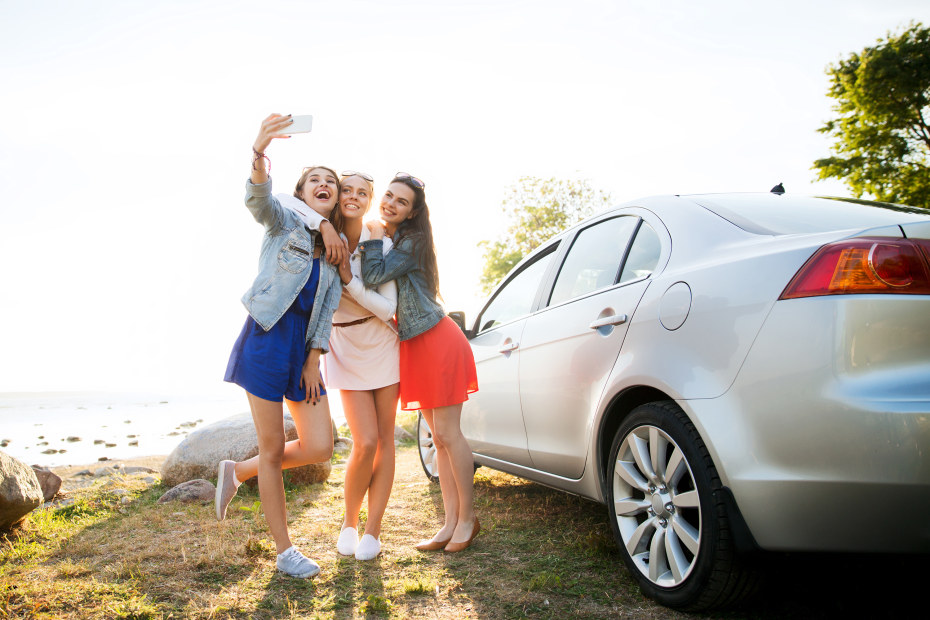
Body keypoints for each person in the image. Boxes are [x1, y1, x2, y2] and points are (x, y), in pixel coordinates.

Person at [215, 113, 346, 579]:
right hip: (267, 338)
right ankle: (285, 551)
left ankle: (238, 472)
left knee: (319, 446)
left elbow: (327, 309)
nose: (324, 183)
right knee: (272, 448)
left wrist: (315, 359)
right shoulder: (284, 222)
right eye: (315, 179)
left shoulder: (336, 250)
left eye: (331, 180)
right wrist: (259, 152)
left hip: (303, 351)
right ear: (303, 191)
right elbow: (259, 199)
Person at [359, 173, 480, 553]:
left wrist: (375, 237)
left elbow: (374, 273)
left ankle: (468, 518)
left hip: (438, 339)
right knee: (437, 440)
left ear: (412, 213)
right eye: (389, 196)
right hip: (415, 344)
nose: (391, 203)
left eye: (401, 202)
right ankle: (448, 522)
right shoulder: (397, 239)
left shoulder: (411, 241)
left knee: (448, 434)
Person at [314, 171, 401, 562]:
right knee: (363, 442)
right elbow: (285, 199)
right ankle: (349, 522)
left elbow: (388, 308)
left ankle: (373, 530)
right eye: (345, 189)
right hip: (343, 345)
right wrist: (322, 226)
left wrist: (349, 280)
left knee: (384, 441)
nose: (351, 196)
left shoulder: (378, 239)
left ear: (369, 200)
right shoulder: (319, 231)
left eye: (361, 192)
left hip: (382, 342)